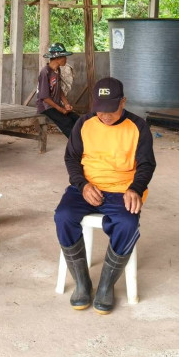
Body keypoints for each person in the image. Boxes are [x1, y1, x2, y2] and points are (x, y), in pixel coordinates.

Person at [55, 77, 156, 314]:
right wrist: (82, 185)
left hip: (123, 189)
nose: (105, 116)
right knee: (63, 216)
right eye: (100, 109)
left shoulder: (138, 126)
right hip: (86, 187)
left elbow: (146, 164)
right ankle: (82, 282)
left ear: (123, 102)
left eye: (111, 109)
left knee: (127, 222)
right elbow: (71, 159)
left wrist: (135, 188)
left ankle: (106, 284)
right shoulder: (84, 123)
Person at [37, 43, 79, 138]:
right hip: (46, 107)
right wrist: (61, 109)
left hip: (55, 105)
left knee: (77, 119)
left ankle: (82, 141)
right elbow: (45, 98)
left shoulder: (57, 70)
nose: (66, 59)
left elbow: (59, 89)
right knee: (67, 122)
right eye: (64, 57)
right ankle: (75, 143)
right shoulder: (45, 72)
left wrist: (66, 104)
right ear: (57, 58)